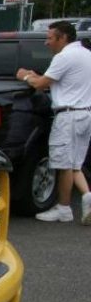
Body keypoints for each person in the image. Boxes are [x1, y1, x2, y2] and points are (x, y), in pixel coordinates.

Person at [17, 20, 91, 224]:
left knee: (63, 164)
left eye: (50, 38)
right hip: (85, 115)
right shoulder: (86, 54)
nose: (46, 42)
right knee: (75, 164)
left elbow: (41, 84)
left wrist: (25, 76)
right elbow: (62, 81)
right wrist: (36, 76)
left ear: (63, 37)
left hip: (68, 116)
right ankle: (87, 197)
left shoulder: (64, 57)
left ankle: (64, 208)